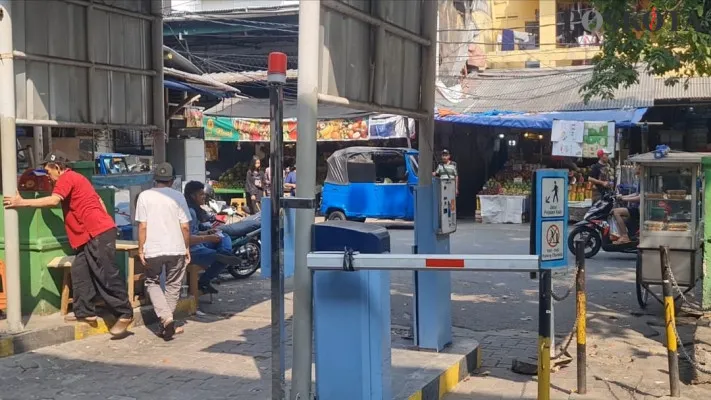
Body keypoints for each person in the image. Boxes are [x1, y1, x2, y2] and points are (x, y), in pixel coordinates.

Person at [3, 151, 133, 336]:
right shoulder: (77, 179)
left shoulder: (66, 178)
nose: (48, 176)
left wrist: (21, 202)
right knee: (80, 270)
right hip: (92, 233)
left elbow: (53, 201)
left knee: (105, 273)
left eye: (49, 172)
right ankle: (85, 312)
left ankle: (124, 313)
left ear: (57, 168)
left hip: (96, 232)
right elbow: (99, 201)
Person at [135, 163, 191, 340]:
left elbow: (143, 226)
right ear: (172, 180)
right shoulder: (178, 197)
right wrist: (187, 247)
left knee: (151, 282)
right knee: (174, 284)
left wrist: (141, 248)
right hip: (176, 248)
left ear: (155, 179)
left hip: (153, 249)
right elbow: (185, 226)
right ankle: (167, 320)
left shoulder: (144, 196)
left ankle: (166, 320)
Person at [184, 181, 232, 294]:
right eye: (201, 194)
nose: (204, 196)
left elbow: (195, 232)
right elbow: (187, 238)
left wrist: (207, 232)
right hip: (192, 250)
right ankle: (204, 281)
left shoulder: (195, 210)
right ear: (193, 196)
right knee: (221, 259)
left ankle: (223, 253)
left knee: (224, 236)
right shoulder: (190, 212)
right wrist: (208, 238)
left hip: (199, 244)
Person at [612, 166, 641, 244]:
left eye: (636, 167)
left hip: (639, 209)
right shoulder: (640, 179)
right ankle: (623, 236)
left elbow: (640, 197)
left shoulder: (643, 180)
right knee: (622, 218)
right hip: (636, 207)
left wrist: (624, 199)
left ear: (640, 169)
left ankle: (625, 236)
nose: (634, 168)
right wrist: (622, 196)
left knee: (616, 212)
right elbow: (636, 193)